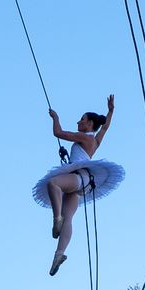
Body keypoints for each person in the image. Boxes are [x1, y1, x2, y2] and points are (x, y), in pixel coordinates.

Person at [33, 95, 124, 276]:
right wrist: (111, 111)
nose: (78, 122)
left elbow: (58, 133)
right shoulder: (95, 141)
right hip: (84, 184)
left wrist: (55, 117)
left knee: (53, 184)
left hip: (79, 178)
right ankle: (59, 254)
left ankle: (56, 219)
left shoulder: (83, 137)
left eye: (82, 119)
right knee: (69, 218)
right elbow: (105, 127)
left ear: (89, 124)